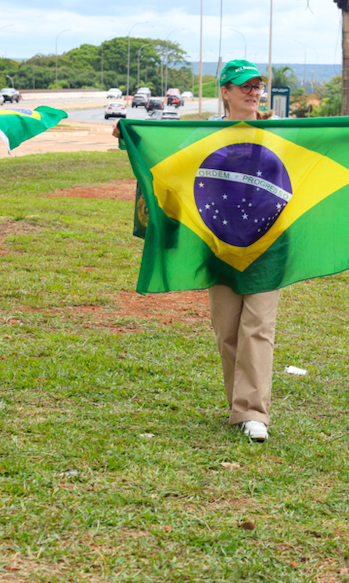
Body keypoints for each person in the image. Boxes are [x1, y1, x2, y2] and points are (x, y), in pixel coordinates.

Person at [113, 59, 277, 441]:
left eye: (257, 86)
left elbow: (335, 138)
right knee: (228, 329)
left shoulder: (276, 131)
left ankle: (254, 412)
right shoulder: (205, 134)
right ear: (225, 92)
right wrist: (130, 133)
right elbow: (167, 158)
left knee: (259, 325)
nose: (253, 92)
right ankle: (240, 406)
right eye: (244, 86)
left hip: (268, 243)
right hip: (218, 243)